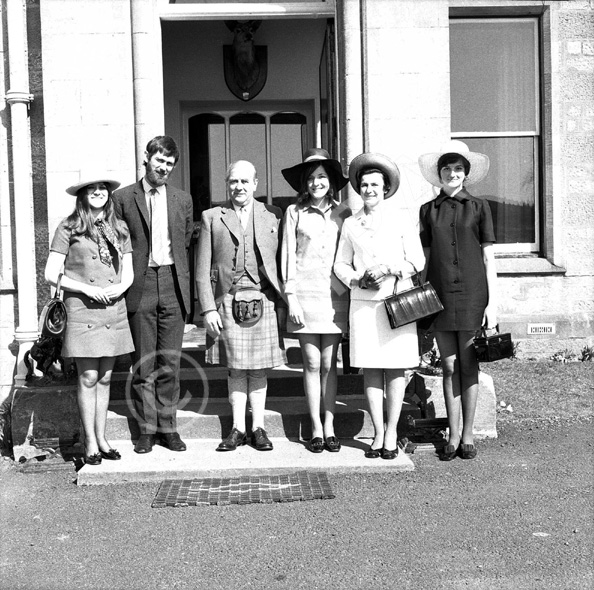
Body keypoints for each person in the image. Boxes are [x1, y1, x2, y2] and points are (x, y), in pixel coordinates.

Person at [334, 153, 425, 460]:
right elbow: (340, 265)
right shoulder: (350, 224)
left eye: (375, 184)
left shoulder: (400, 219)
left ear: (386, 188)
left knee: (395, 367)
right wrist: (358, 280)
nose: (369, 189)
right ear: (358, 189)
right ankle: (377, 432)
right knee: (371, 368)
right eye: (364, 184)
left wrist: (389, 267)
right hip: (364, 305)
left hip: (396, 302)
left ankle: (393, 431)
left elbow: (417, 260)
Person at [196, 160, 286, 452]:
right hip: (227, 299)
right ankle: (237, 429)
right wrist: (208, 308)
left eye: (245, 182)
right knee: (235, 369)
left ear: (256, 184)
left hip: (263, 298)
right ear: (227, 183)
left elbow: (283, 262)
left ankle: (258, 428)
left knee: (259, 368)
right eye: (234, 181)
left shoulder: (272, 215)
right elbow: (202, 269)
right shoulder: (212, 216)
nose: (239, 187)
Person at [45, 175, 134, 465]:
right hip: (83, 308)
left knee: (106, 377)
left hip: (111, 307)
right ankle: (90, 442)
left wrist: (121, 287)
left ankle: (103, 437)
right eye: (92, 189)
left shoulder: (118, 228)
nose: (98, 193)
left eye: (103, 189)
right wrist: (85, 288)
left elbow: (128, 271)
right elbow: (50, 273)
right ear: (82, 194)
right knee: (88, 376)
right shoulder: (69, 227)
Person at [113, 136, 194, 454]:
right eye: (159, 160)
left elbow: (185, 238)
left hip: (173, 284)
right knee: (144, 365)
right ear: (146, 158)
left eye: (170, 163)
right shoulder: (122, 198)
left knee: (170, 363)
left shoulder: (182, 199)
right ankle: (147, 430)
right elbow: (117, 244)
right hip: (140, 284)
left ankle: (169, 428)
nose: (164, 167)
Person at [418, 140, 497, 461]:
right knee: (448, 365)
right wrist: (419, 301)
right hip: (438, 297)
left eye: (458, 169)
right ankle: (451, 434)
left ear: (466, 174)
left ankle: (467, 436)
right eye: (447, 169)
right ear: (439, 175)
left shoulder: (479, 208)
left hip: (473, 295)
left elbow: (489, 258)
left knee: (469, 364)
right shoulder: (427, 211)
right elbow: (424, 261)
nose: (453, 173)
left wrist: (493, 304)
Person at [280, 148, 350, 453]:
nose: (316, 182)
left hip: (334, 296)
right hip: (304, 295)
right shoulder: (294, 213)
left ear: (331, 181)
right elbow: (287, 257)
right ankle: (315, 427)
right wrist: (291, 297)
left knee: (328, 362)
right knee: (310, 361)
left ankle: (331, 424)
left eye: (321, 176)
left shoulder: (343, 213)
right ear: (304, 184)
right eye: (311, 178)